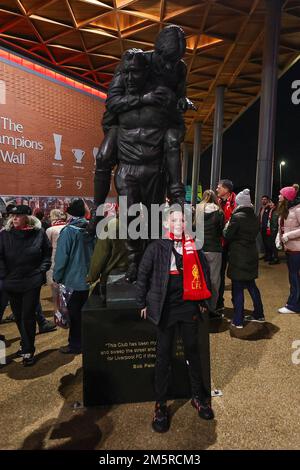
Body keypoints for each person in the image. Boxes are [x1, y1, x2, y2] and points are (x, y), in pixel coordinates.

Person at [136, 209, 214, 433]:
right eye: (174, 220)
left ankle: (198, 397)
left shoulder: (193, 246)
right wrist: (141, 302)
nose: (179, 223)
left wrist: (203, 301)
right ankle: (160, 405)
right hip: (165, 307)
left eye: (182, 220)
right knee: (163, 355)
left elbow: (205, 274)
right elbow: (143, 275)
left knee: (192, 350)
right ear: (165, 222)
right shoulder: (157, 247)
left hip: (188, 305)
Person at [0, 205, 52, 365]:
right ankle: (25, 344)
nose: (14, 218)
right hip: (11, 282)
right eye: (12, 215)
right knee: (19, 316)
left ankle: (28, 350)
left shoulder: (38, 233)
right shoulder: (5, 235)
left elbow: (46, 253)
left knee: (28, 315)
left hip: (31, 281)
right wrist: (4, 275)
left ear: (27, 217)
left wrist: (41, 271)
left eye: (18, 215)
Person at [53, 199, 95, 354]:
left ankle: (76, 345)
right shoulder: (91, 229)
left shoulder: (69, 231)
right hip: (89, 278)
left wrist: (57, 276)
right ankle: (86, 342)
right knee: (84, 313)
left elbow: (61, 257)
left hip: (72, 280)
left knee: (74, 314)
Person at [223, 189, 264, 328]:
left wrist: (227, 225)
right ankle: (259, 314)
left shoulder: (236, 217)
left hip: (238, 256)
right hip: (251, 254)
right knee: (251, 285)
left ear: (239, 203)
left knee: (237, 288)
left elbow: (227, 235)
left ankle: (238, 320)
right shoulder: (255, 217)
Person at [87, 214, 128, 305]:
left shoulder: (112, 225)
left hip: (111, 278)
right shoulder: (144, 225)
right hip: (138, 278)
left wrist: (92, 276)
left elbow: (101, 254)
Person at [196, 190, 224, 320]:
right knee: (214, 280)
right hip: (214, 248)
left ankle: (199, 306)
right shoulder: (219, 212)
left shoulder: (197, 210)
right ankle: (211, 308)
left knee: (199, 278)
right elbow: (221, 231)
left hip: (199, 247)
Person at [277, 186, 300, 314]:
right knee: (294, 277)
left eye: (281, 195)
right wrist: (279, 237)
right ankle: (294, 302)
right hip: (290, 248)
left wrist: (287, 236)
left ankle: (293, 306)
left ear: (287, 197)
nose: (279, 196)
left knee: (294, 277)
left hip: (297, 250)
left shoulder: (297, 209)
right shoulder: (288, 209)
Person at [216, 179, 236, 311]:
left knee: (235, 275)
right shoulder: (218, 202)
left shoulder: (236, 202)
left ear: (226, 190)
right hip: (222, 243)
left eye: (219, 187)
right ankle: (219, 302)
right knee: (220, 273)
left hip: (234, 245)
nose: (217, 189)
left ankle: (237, 306)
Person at [46, 209, 67, 312]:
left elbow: (46, 247)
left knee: (55, 288)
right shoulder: (68, 227)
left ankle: (57, 311)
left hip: (54, 261)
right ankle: (66, 309)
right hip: (67, 260)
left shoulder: (50, 230)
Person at [258, 195, 273, 261]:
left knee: (268, 242)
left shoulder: (270, 208)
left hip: (267, 228)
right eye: (262, 199)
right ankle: (266, 255)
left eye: (265, 199)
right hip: (262, 227)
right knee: (264, 242)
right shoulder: (262, 208)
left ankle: (270, 256)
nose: (263, 200)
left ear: (268, 200)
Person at [266, 200, 279, 265]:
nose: (270, 204)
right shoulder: (271, 210)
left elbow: (275, 223)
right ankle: (273, 257)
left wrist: (273, 232)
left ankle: (276, 258)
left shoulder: (276, 211)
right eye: (269, 202)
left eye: (271, 202)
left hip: (273, 231)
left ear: (274, 204)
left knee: (274, 245)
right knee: (271, 244)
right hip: (270, 230)